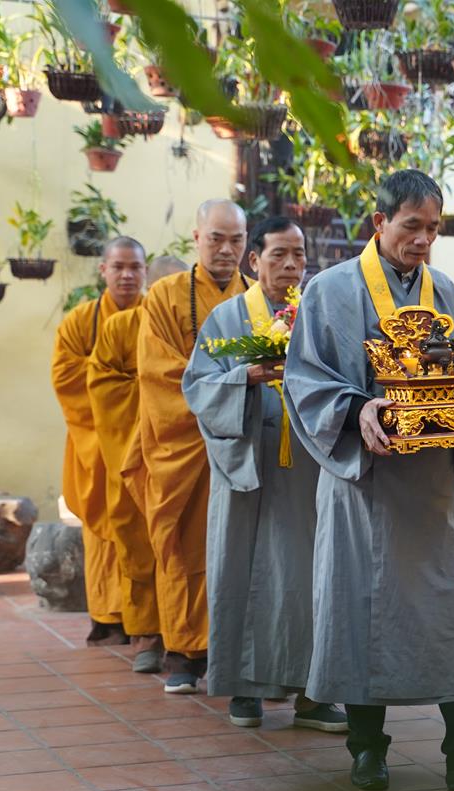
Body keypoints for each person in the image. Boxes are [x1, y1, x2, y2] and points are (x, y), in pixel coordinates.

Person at [284, 169, 454, 791]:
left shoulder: (446, 292)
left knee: (445, 613)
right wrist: (359, 408)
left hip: (429, 484)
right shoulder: (330, 291)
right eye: (411, 226)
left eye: (433, 229)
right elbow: (304, 380)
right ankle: (367, 750)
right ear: (379, 223)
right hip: (363, 481)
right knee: (361, 611)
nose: (423, 240)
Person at [182, 216, 348, 733]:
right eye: (279, 254)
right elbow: (197, 387)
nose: (292, 265)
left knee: (309, 579)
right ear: (254, 261)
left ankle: (312, 695)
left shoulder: (316, 317)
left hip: (308, 471)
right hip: (247, 467)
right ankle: (244, 688)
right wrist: (245, 377)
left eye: (299, 255)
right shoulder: (227, 318)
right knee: (240, 571)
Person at [137, 199, 252, 693]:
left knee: (240, 546)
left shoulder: (259, 298)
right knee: (183, 544)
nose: (226, 250)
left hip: (243, 439)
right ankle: (184, 651)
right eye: (216, 239)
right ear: (196, 238)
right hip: (184, 446)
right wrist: (220, 394)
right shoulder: (164, 296)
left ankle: (236, 652)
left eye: (236, 240)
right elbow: (158, 374)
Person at [86, 255, 186, 673]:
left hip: (185, 450)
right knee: (137, 540)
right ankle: (146, 633)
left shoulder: (195, 324)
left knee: (184, 545)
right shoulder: (120, 327)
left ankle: (189, 637)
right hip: (133, 450)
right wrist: (153, 396)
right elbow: (102, 385)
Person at [52, 237, 147, 647]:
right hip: (94, 443)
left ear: (145, 272)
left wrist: (114, 378)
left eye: (135, 267)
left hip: (143, 442)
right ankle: (108, 618)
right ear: (103, 270)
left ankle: (146, 618)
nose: (126, 275)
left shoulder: (156, 316)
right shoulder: (81, 320)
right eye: (118, 267)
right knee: (101, 532)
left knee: (142, 530)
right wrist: (113, 376)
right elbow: (65, 376)